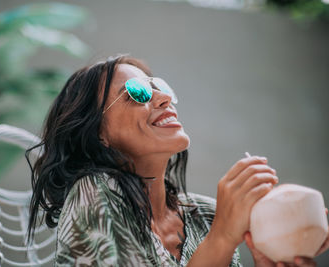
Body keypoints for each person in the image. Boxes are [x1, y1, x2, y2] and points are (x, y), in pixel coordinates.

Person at [26, 55, 329, 266]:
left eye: (160, 87)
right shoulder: (93, 192)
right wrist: (221, 238)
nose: (163, 98)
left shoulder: (205, 214)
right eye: (137, 92)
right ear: (97, 133)